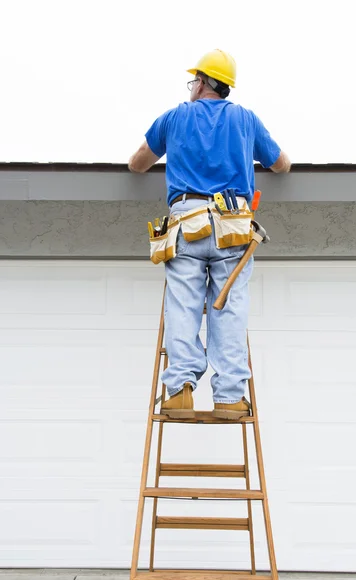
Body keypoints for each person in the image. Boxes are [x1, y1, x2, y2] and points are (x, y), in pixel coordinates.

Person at [129, 49, 291, 420]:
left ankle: (179, 392)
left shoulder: (175, 117)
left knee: (183, 304)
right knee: (229, 308)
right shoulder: (246, 120)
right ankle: (231, 398)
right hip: (232, 222)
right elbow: (281, 164)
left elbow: (137, 163)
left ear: (202, 82)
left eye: (194, 81)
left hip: (187, 220)